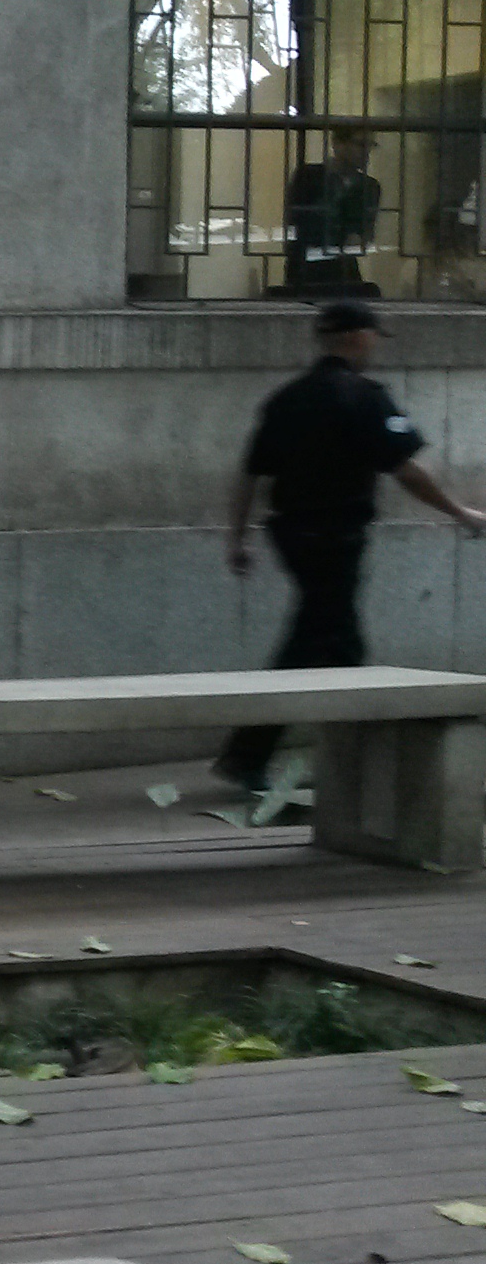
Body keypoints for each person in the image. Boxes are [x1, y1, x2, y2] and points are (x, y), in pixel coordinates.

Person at [214, 300, 486, 788]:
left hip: (292, 535)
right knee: (323, 645)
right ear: (357, 336)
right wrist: (459, 511)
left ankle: (333, 763)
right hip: (335, 537)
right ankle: (260, 756)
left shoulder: (286, 399)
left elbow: (250, 474)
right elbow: (406, 469)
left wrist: (238, 539)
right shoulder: (363, 397)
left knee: (331, 642)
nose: (375, 345)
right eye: (373, 335)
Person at [281, 127, 384, 297]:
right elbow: (300, 223)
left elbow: (361, 234)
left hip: (344, 271)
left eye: (370, 146)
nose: (366, 152)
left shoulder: (369, 186)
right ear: (338, 144)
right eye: (361, 144)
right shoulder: (308, 176)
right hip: (305, 270)